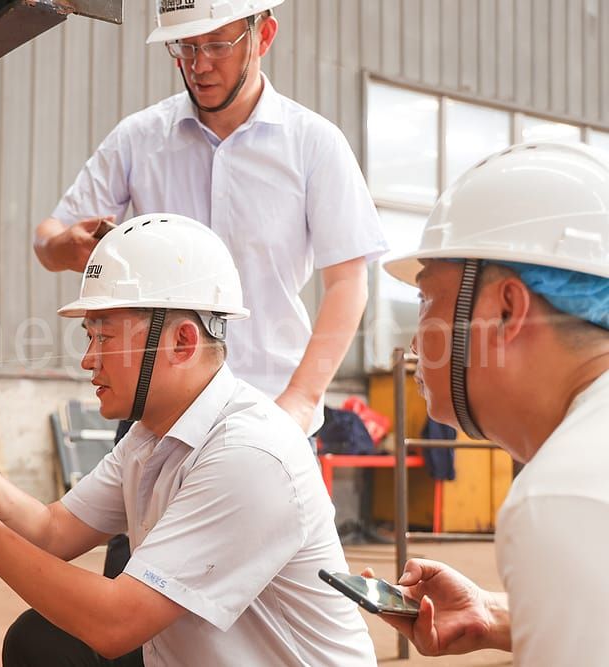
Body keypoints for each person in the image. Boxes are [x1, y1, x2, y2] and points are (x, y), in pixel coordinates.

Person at [0, 214, 377, 666]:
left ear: (182, 341)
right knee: (41, 641)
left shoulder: (249, 455)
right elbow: (53, 531)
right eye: (89, 336)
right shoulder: (152, 435)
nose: (88, 359)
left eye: (106, 336)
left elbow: (115, 624)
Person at [33, 0, 387, 437]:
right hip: (155, 412)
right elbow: (47, 239)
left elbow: (348, 282)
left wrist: (299, 401)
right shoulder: (140, 139)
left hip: (268, 408)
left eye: (218, 45)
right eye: (185, 47)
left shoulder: (314, 145)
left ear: (265, 36)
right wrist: (64, 246)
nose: (199, 65)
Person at [365, 141, 609, 664]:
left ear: (505, 310)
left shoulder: (562, 496)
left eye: (426, 300)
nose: (413, 343)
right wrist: (498, 615)